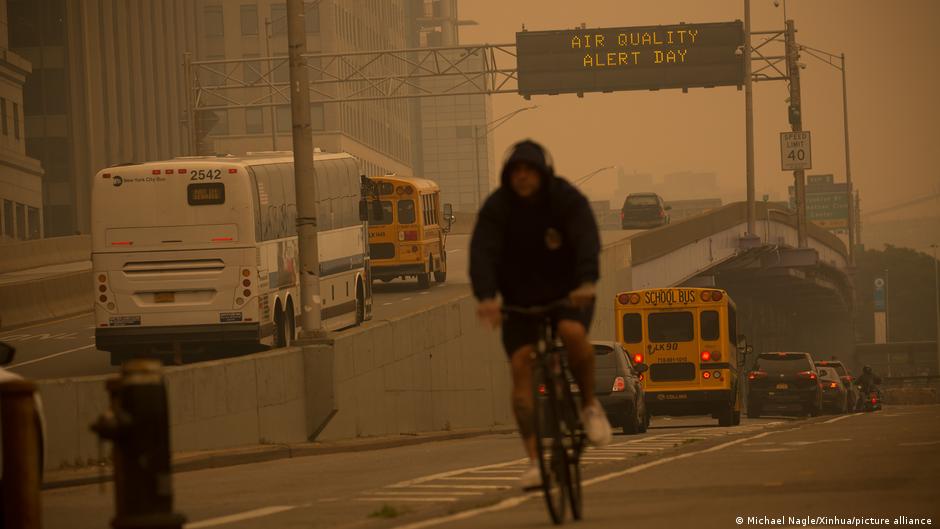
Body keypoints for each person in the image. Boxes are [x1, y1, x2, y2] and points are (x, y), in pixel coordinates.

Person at [469, 139, 612, 490]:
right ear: (508, 174)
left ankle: (590, 406)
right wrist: (485, 297)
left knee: (572, 333)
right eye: (516, 170)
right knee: (521, 366)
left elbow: (586, 237)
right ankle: (534, 462)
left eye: (529, 170)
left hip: (568, 294)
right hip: (519, 303)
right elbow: (482, 252)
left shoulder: (564, 199)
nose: (522, 177)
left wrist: (588, 280)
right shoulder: (497, 208)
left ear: (542, 172)